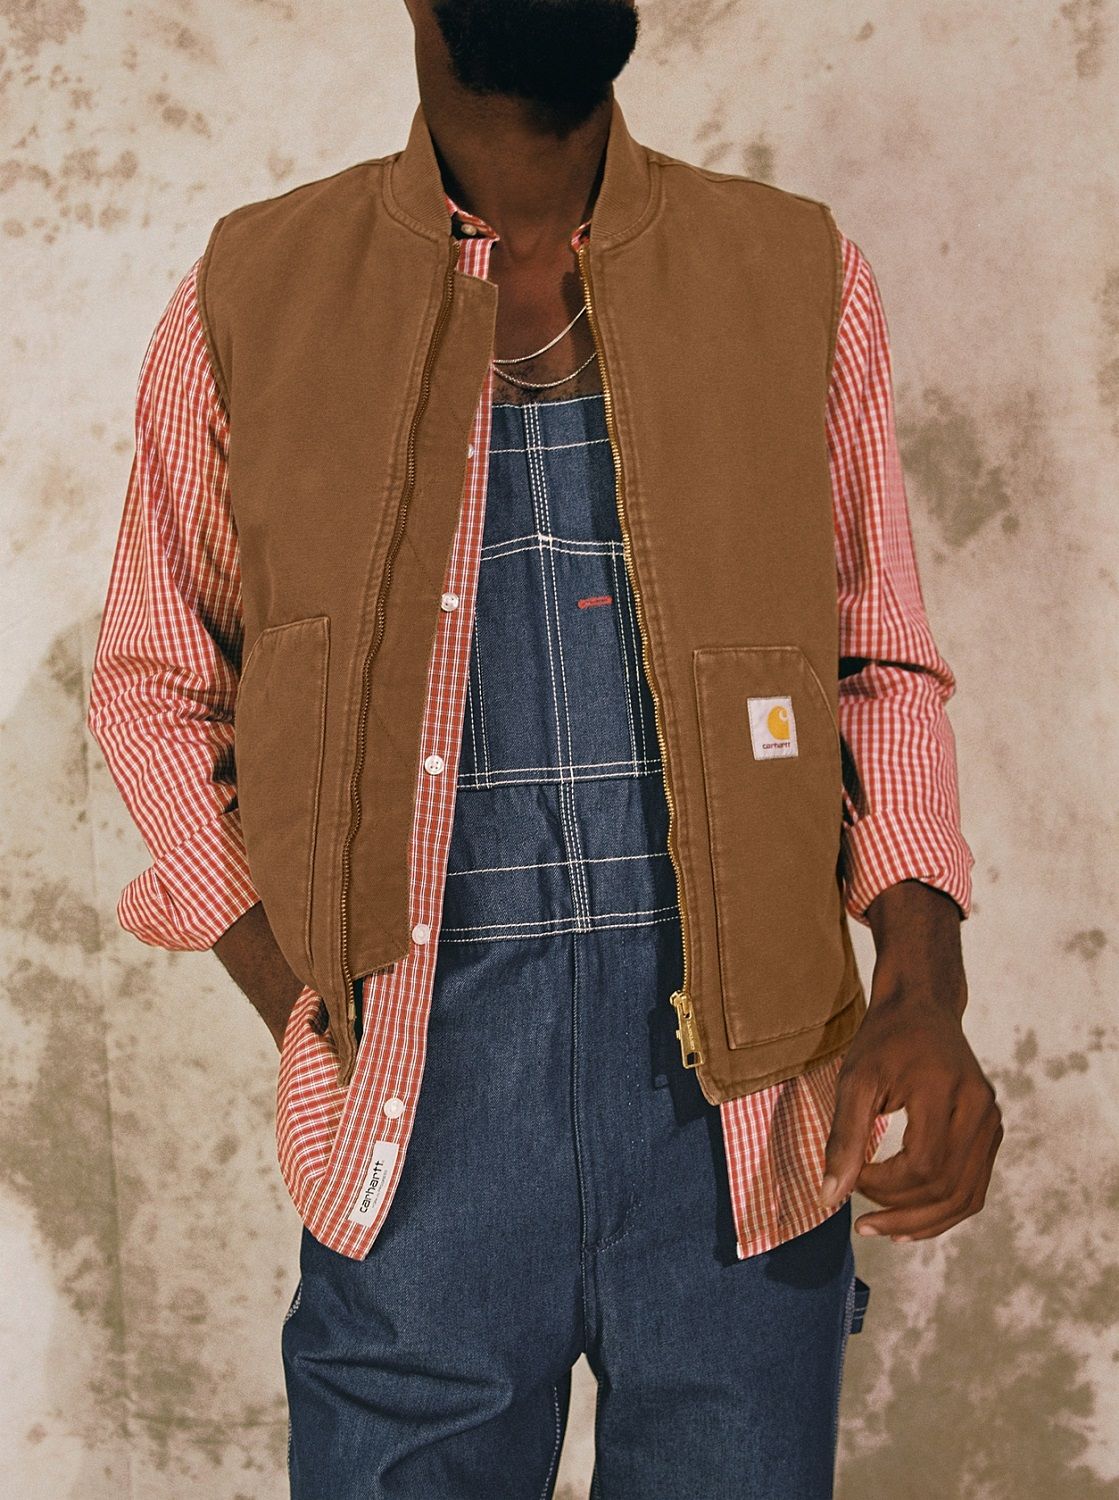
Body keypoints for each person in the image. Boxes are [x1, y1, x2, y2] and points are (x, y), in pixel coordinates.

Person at [85, 1, 1004, 1495]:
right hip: (418, 1140)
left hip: (746, 1138)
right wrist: (304, 999)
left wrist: (923, 984)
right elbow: (152, 681)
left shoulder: (796, 276)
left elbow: (878, 671)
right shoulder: (251, 296)